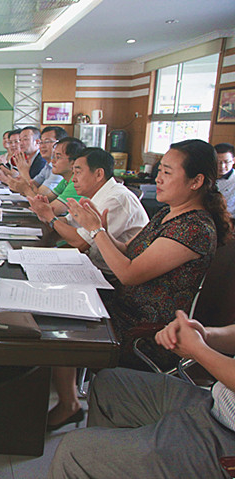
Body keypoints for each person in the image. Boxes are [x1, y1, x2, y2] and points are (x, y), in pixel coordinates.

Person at [47, 139, 231, 431]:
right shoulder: (168, 213)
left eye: (167, 172)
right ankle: (68, 402)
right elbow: (130, 252)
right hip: (124, 304)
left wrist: (96, 232)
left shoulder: (194, 228)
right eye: (159, 170)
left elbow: (129, 273)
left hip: (146, 328)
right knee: (59, 304)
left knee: (65, 321)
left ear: (196, 181)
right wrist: (100, 230)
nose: (158, 178)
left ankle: (70, 405)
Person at [49, 310, 235, 479]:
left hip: (227, 436)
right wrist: (206, 335)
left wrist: (198, 349)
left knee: (73, 454)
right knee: (110, 385)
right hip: (217, 403)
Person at [29, 148, 148, 274]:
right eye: (73, 173)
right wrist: (45, 214)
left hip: (111, 276)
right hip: (92, 265)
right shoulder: (95, 194)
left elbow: (81, 242)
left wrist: (51, 218)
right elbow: (68, 222)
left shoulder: (116, 199)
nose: (73, 179)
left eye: (78, 173)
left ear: (99, 174)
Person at [13, 137, 85, 216]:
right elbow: (45, 199)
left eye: (58, 157)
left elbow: (48, 212)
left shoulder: (76, 184)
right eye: (53, 156)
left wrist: (26, 189)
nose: (52, 161)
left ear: (73, 162)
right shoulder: (65, 181)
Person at [216, 142, 235, 216]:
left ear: (233, 160)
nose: (222, 166)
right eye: (218, 162)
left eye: (226, 162)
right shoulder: (205, 176)